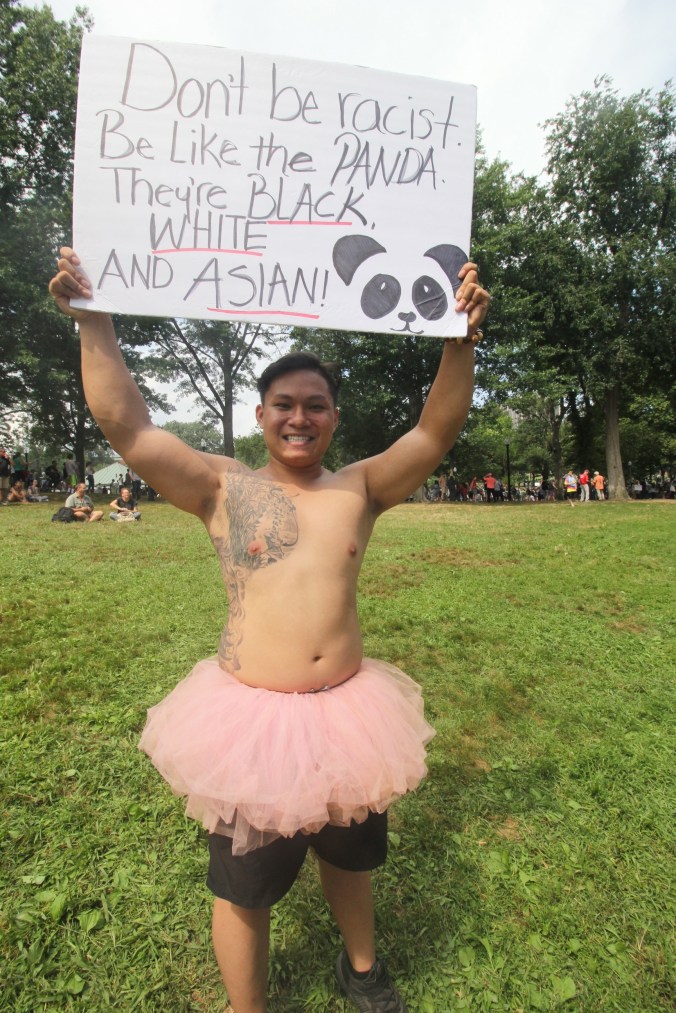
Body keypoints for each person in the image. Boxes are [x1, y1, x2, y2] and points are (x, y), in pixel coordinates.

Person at [49, 246, 489, 1013]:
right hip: (253, 724)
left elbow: (433, 433)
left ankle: (362, 969)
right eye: (284, 402)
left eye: (315, 404)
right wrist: (94, 319)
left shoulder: (360, 488)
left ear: (334, 417)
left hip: (350, 715)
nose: (299, 416)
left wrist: (459, 340)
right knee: (243, 885)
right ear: (260, 413)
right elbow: (126, 422)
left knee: (352, 857)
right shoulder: (222, 487)